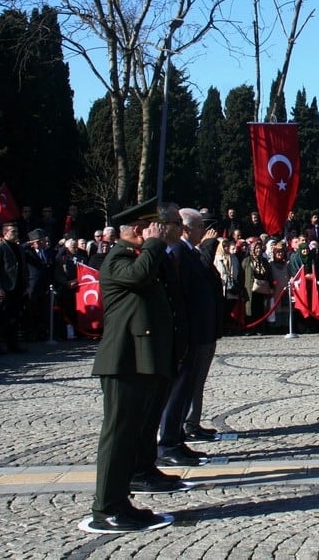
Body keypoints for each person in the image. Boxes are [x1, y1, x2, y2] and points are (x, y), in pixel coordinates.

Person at [86, 200, 185, 534]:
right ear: (138, 230)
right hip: (123, 360)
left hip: (138, 360)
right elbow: (139, 278)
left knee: (131, 434)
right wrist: (155, 244)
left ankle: (120, 500)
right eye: (150, 227)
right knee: (117, 435)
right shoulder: (117, 258)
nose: (155, 232)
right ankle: (106, 507)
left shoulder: (140, 257)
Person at [157, 208, 223, 468]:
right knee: (178, 390)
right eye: (199, 228)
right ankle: (168, 443)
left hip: (200, 331)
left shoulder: (189, 252)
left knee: (187, 388)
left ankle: (178, 437)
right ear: (186, 229)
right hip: (190, 333)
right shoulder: (179, 253)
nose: (203, 233)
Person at [0, 223, 29, 354]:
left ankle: (12, 344)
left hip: (17, 288)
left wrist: (26, 285)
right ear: (5, 233)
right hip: (5, 288)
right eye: (13, 232)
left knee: (14, 317)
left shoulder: (19, 248)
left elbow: (24, 267)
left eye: (17, 231)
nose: (16, 234)